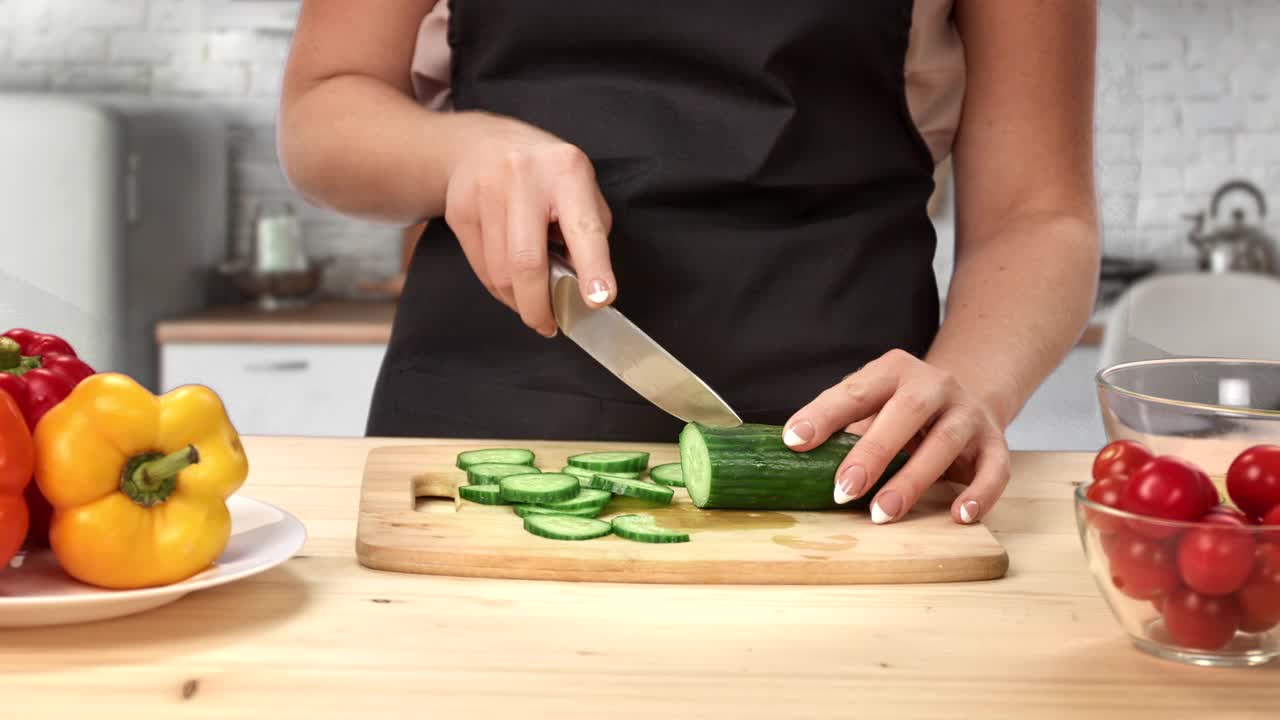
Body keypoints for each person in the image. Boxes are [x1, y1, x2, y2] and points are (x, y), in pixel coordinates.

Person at [278, 1, 1100, 526]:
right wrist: (459, 149)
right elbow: (321, 113)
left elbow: (1040, 214)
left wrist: (972, 386)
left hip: (841, 453)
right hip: (475, 432)